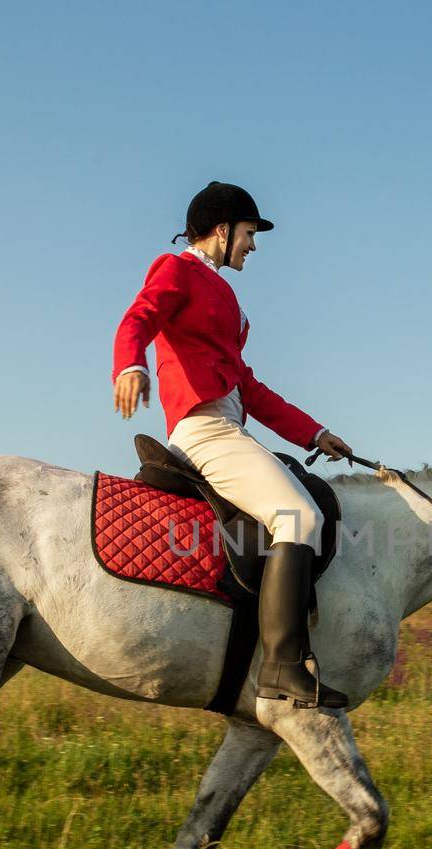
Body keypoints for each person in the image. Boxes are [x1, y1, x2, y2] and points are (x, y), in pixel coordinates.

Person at [112, 181, 352, 710]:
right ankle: (283, 665)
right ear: (222, 230)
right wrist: (130, 365)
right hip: (203, 429)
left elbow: (251, 387)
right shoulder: (177, 270)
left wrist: (314, 433)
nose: (253, 245)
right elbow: (138, 318)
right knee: (300, 517)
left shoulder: (222, 291)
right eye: (248, 233)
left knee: (300, 508)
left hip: (228, 425)